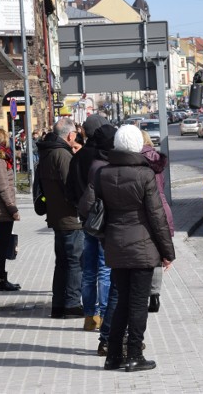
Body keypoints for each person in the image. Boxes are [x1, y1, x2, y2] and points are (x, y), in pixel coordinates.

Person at [88, 124, 175, 372]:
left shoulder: (102, 173)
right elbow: (157, 217)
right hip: (143, 248)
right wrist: (168, 252)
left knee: (121, 302)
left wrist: (106, 237)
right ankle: (134, 354)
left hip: (115, 246)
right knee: (138, 304)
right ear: (138, 146)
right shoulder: (144, 174)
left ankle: (113, 355)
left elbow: (90, 208)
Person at [65, 114, 113, 331]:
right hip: (105, 219)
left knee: (89, 270)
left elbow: (71, 188)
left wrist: (81, 209)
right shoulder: (106, 156)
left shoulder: (79, 156)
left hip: (86, 220)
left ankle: (88, 316)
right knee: (104, 269)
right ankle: (103, 314)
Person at [37, 118, 84, 319]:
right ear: (70, 135)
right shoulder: (62, 155)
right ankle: (72, 304)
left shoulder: (47, 153)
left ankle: (58, 305)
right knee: (74, 262)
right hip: (70, 218)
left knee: (63, 262)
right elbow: (71, 186)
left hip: (56, 217)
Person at [140, 130, 174, 313]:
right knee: (158, 255)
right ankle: (155, 295)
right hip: (161, 207)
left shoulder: (135, 160)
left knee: (145, 254)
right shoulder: (157, 161)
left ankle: (144, 293)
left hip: (144, 210)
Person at [0, 128, 21, 291]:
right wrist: (12, 208)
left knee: (0, 247)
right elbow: (3, 187)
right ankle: (0, 280)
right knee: (1, 248)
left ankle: (0, 278)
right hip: (1, 212)